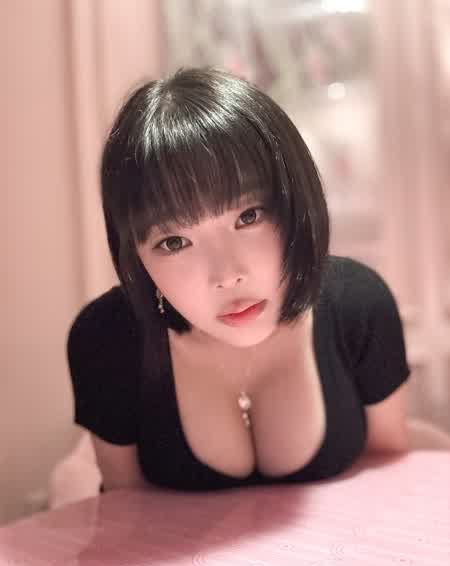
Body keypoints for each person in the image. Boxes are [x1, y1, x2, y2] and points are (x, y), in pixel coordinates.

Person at [67, 66, 414, 495]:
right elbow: (125, 512)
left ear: (294, 202)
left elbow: (390, 479)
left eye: (248, 216)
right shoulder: (106, 339)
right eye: (174, 242)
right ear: (135, 255)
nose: (228, 275)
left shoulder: (360, 305)